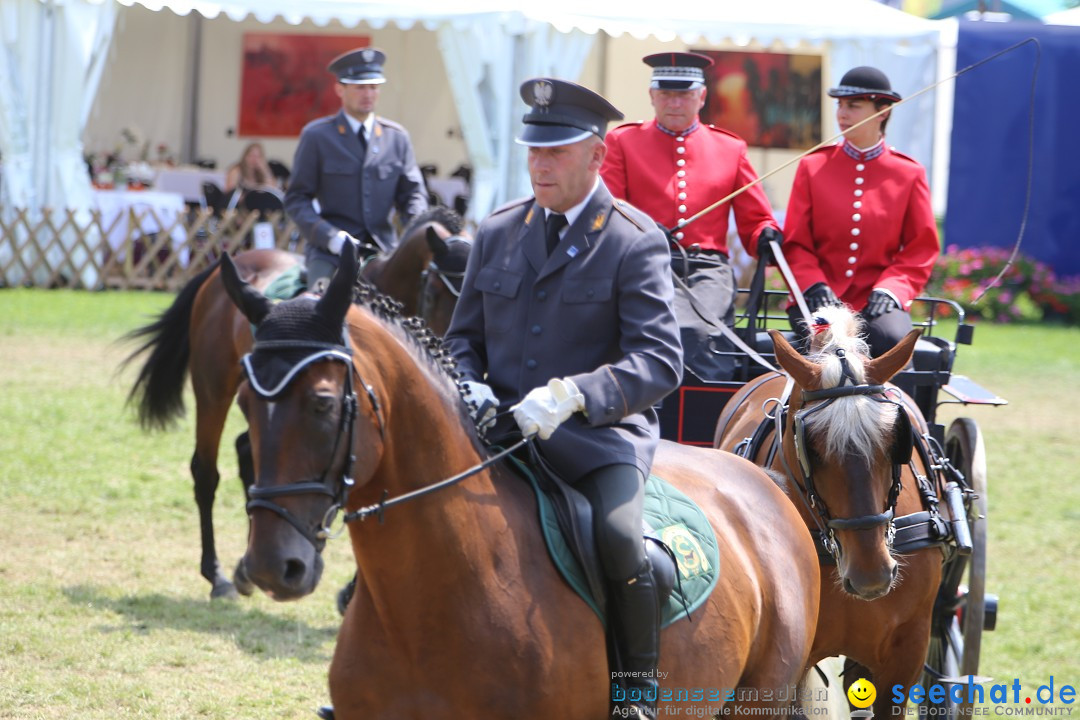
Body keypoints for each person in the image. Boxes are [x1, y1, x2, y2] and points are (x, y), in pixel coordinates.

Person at [444, 78, 683, 719]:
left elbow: (661, 361)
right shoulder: (497, 232)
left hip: (594, 440)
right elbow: (461, 338)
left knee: (618, 537)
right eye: (534, 152)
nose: (540, 165)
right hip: (493, 430)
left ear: (597, 156)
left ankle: (635, 695)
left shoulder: (633, 240)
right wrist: (466, 382)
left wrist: (576, 394)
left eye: (556, 153)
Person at [600, 51, 782, 381]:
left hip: (707, 268)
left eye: (683, 94)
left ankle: (704, 420)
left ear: (702, 97)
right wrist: (639, 227)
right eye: (666, 94)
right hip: (641, 262)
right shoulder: (623, 140)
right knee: (650, 325)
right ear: (652, 96)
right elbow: (609, 207)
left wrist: (765, 234)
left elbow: (755, 220)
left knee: (697, 333)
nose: (674, 103)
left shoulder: (731, 148)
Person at [782, 66, 939, 357]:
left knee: (894, 342)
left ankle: (895, 405)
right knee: (829, 345)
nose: (842, 114)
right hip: (819, 298)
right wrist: (812, 283)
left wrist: (892, 290)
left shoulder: (908, 172)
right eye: (840, 105)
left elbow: (920, 248)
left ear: (883, 112)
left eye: (853, 106)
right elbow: (795, 242)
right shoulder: (812, 167)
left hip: (877, 299)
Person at [284, 47, 428, 289]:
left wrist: (417, 229)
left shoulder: (396, 138)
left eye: (373, 87)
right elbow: (297, 200)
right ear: (340, 89)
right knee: (317, 315)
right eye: (360, 87)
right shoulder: (318, 136)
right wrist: (330, 237)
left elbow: (413, 194)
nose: (368, 94)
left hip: (384, 251)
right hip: (331, 253)